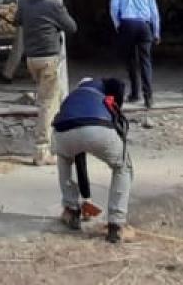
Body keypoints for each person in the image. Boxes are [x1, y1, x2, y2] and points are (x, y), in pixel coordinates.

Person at [52, 76, 132, 244]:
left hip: (63, 131)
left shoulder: (73, 97)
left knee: (65, 159)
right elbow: (120, 84)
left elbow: (80, 157)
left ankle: (71, 211)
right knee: (123, 167)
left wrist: (85, 197)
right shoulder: (103, 86)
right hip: (98, 127)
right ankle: (116, 226)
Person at [17, 0, 76, 165]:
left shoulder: (26, 0)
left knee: (56, 100)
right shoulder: (53, 5)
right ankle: (41, 151)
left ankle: (60, 142)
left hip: (32, 58)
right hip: (49, 59)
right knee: (47, 105)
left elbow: (18, 20)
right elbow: (72, 27)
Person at [109, 0, 160, 109]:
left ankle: (135, 93)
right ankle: (148, 98)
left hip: (127, 24)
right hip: (144, 26)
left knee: (131, 60)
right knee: (146, 61)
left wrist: (118, 24)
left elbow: (113, 7)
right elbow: (154, 12)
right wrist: (156, 32)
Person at [1, 0, 37, 82]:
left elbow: (23, 4)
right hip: (34, 19)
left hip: (25, 19)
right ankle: (35, 75)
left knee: (18, 47)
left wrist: (17, 18)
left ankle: (8, 73)